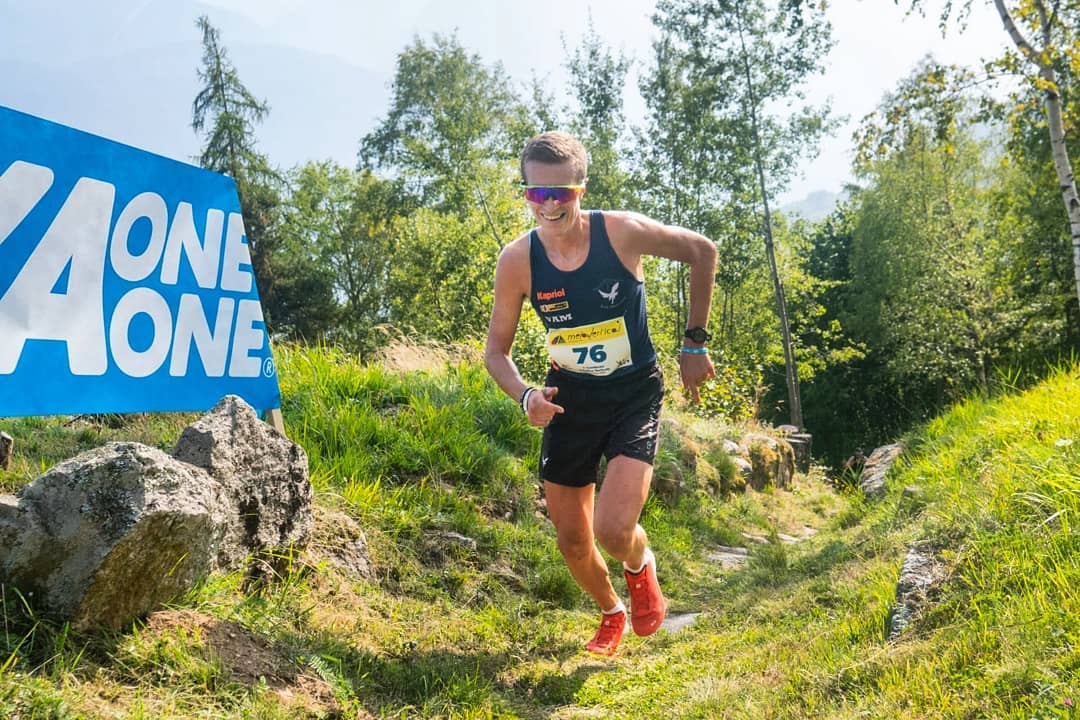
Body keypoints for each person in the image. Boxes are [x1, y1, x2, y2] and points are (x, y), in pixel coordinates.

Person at [484, 131, 717, 656]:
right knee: (572, 541)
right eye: (534, 193)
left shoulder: (621, 234)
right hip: (568, 400)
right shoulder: (517, 260)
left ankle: (640, 566)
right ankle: (612, 610)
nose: (547, 205)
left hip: (633, 394)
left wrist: (694, 344)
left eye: (559, 192)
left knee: (614, 530)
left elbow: (702, 252)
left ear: (580, 188)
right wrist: (526, 397)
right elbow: (496, 352)